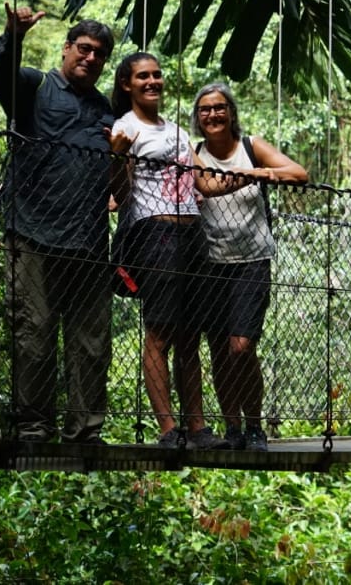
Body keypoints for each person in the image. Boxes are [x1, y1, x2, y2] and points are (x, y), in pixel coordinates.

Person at [108, 54, 254, 449]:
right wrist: (117, 157)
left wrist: (255, 175)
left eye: (156, 75)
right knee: (160, 332)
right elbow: (121, 196)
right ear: (127, 85)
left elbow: (203, 185)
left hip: (193, 234)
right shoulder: (124, 128)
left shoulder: (174, 132)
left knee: (190, 335)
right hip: (154, 231)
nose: (152, 81)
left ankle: (197, 428)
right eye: (143, 76)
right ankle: (168, 428)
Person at [0, 3, 117, 445]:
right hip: (34, 233)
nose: (90, 58)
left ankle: (85, 432)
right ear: (66, 49)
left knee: (92, 344)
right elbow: (1, 78)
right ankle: (33, 428)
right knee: (34, 335)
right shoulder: (35, 86)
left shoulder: (107, 112)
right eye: (83, 48)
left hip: (88, 242)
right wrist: (14, 34)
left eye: (100, 53)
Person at [192, 83, 308, 452]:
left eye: (219, 107)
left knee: (241, 347)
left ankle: (255, 425)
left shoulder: (250, 147)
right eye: (205, 109)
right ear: (198, 118)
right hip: (208, 263)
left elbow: (298, 173)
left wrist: (263, 172)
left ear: (231, 113)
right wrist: (249, 178)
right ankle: (233, 428)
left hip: (252, 261)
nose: (212, 114)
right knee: (218, 350)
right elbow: (205, 186)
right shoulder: (194, 152)